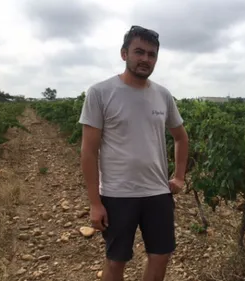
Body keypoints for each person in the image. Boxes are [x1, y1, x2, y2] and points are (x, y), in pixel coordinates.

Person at [78, 25, 189, 281]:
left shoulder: (163, 95)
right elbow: (88, 151)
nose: (145, 59)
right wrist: (95, 203)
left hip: (158, 193)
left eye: (152, 55)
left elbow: (181, 137)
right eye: (139, 52)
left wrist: (179, 176)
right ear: (124, 53)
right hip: (118, 195)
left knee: (160, 257)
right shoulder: (100, 93)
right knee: (116, 261)